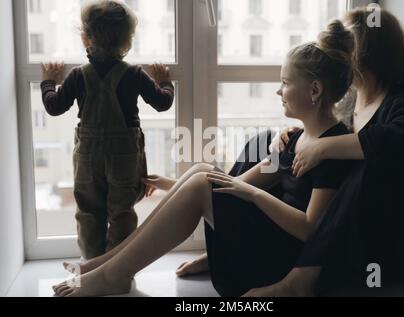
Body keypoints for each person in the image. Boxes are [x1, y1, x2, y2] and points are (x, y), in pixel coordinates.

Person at [52, 20, 355, 297]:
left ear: (315, 90)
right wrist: (175, 186)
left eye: (286, 82)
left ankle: (114, 274)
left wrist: (253, 195)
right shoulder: (297, 137)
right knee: (203, 170)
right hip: (266, 242)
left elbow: (310, 229)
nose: (279, 91)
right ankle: (107, 264)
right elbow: (236, 183)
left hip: (275, 263)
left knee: (201, 183)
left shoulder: (331, 150)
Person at [269, 7, 404, 295]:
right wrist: (300, 138)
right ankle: (230, 235)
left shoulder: (402, 103)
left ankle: (299, 280)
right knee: (274, 144)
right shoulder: (350, 103)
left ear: (364, 52)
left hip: (396, 247)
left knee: (367, 166)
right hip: (347, 237)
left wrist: (324, 146)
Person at [40, 0, 174, 260]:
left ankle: (92, 266)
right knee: (121, 213)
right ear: (127, 42)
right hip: (123, 156)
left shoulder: (78, 75)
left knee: (89, 212)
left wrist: (48, 81)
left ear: (85, 39)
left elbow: (54, 107)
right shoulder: (134, 74)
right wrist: (165, 83)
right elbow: (162, 103)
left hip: (89, 157)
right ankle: (116, 269)